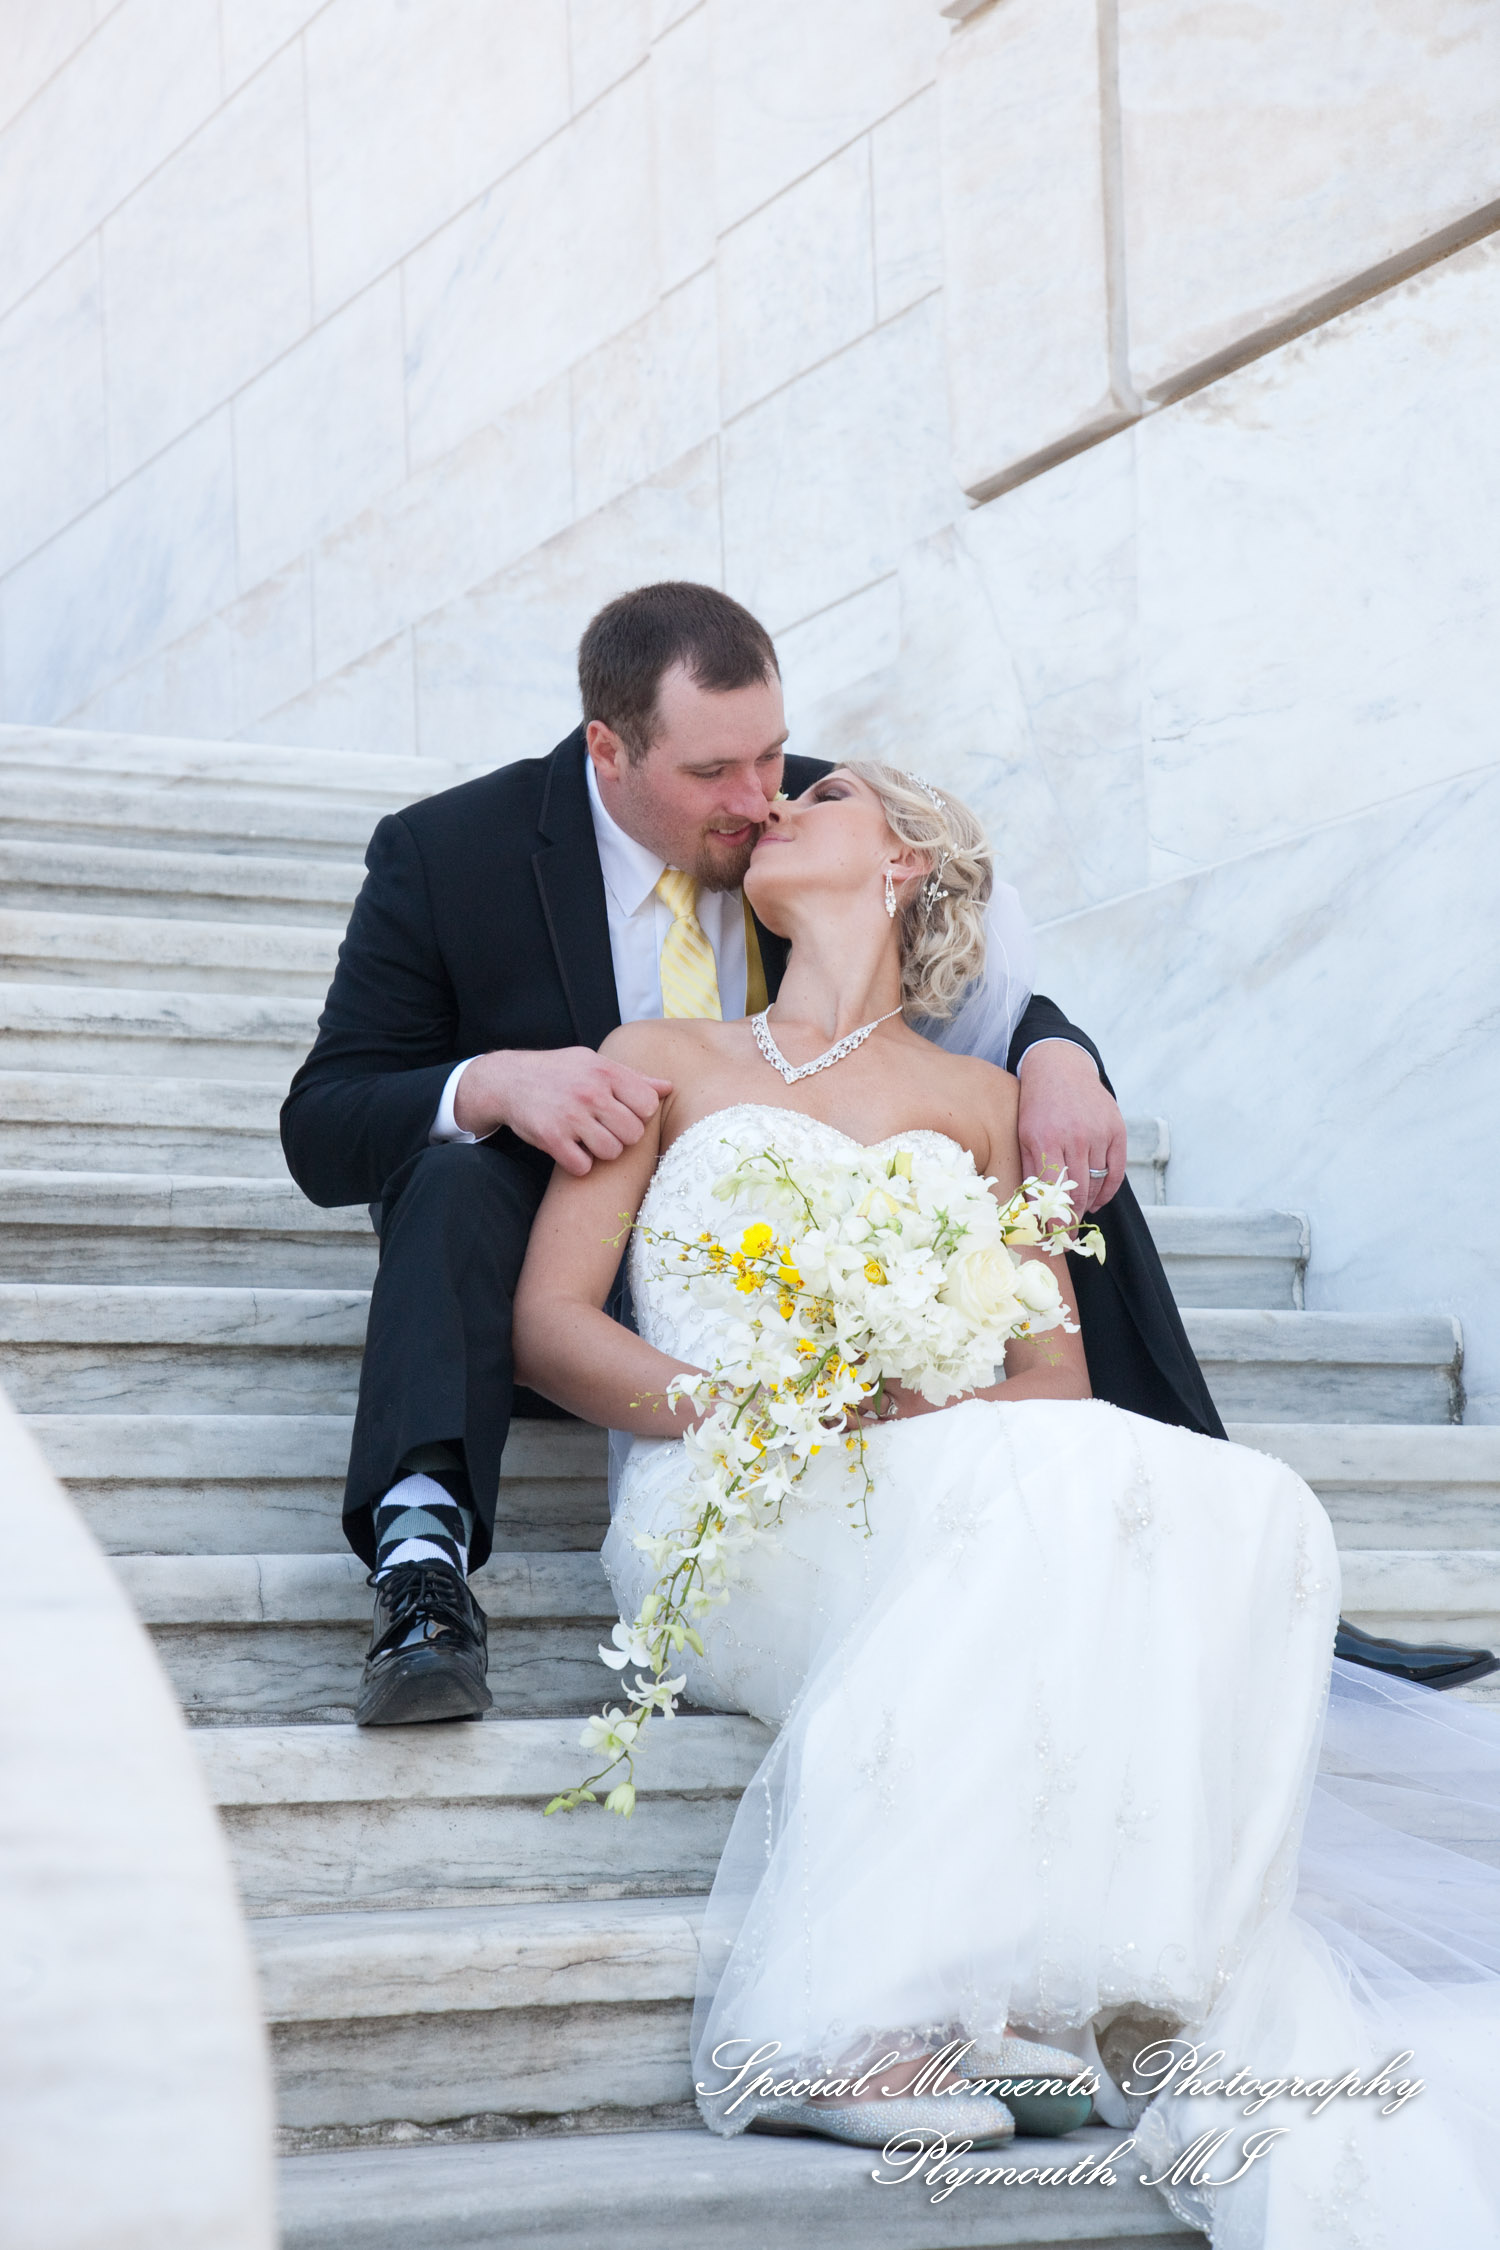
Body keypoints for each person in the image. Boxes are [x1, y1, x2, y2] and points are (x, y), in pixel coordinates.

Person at [512, 762, 1500, 2247]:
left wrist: (908, 1384)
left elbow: (1051, 1373)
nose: (774, 799)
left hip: (922, 1477)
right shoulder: (658, 1053)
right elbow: (550, 1324)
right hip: (724, 1501)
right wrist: (754, 1409)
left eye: (819, 792)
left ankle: (1077, 1972)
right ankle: (850, 2021)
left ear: (903, 862)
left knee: (1249, 1500)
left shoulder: (977, 1103)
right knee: (1033, 1495)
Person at [280, 580, 1491, 1723]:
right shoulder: (449, 853)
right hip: (578, 1238)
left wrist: (1059, 1054)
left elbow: (948, 969)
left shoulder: (806, 818)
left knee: (1054, 1168)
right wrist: (494, 1081)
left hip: (817, 1259)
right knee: (447, 1170)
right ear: (609, 749)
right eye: (715, 770)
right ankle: (424, 1559)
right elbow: (325, 1121)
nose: (760, 797)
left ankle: (1184, 1536)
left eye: (774, 754)